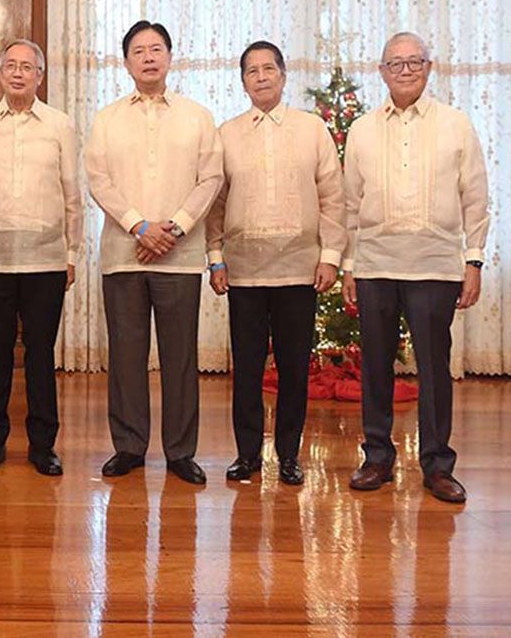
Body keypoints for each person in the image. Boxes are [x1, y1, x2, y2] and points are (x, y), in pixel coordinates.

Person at [343, 32, 489, 504]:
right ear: (381, 71)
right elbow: (349, 204)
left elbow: (476, 197)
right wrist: (348, 264)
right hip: (376, 264)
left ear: (429, 67)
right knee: (376, 367)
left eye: (414, 62)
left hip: (435, 265)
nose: (405, 71)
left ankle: (438, 465)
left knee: (433, 367)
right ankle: (378, 457)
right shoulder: (363, 129)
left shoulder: (456, 125)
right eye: (395, 64)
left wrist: (474, 260)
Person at [85, 20, 223, 485]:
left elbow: (211, 178)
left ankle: (181, 451)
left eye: (157, 48)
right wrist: (139, 226)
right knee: (126, 355)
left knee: (180, 356)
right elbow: (98, 180)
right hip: (124, 254)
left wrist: (176, 228)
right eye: (139, 50)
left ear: (170, 57)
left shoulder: (196, 116)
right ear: (126, 62)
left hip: (180, 257)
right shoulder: (107, 119)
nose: (148, 57)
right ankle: (128, 446)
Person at [205, 40, 345, 486]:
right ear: (242, 81)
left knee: (292, 369)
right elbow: (215, 202)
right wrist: (215, 259)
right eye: (252, 70)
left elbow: (333, 197)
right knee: (246, 368)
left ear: (283, 76)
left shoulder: (312, 130)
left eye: (269, 68)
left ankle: (289, 455)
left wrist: (330, 257)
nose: (261, 77)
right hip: (243, 271)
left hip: (300, 271)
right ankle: (247, 455)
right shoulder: (226, 134)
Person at [0, 39, 82, 476]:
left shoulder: (59, 125)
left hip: (46, 260)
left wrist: (71, 253)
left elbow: (72, 194)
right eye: (10, 66)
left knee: (39, 354)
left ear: (40, 76)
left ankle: (42, 445)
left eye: (27, 67)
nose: (18, 73)